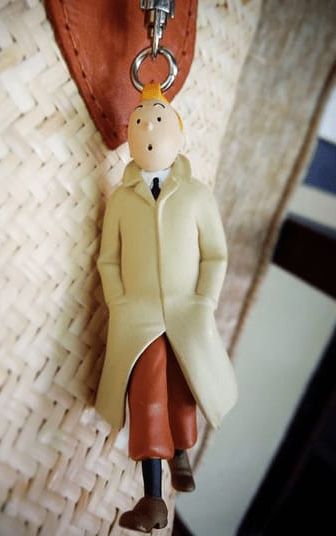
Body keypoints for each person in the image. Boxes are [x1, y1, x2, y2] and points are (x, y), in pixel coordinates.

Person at [95, 83, 238, 532]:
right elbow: (108, 259)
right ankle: (153, 498)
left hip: (186, 313)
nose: (148, 130)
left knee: (183, 385)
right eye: (139, 123)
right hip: (138, 318)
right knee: (146, 397)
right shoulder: (121, 200)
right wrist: (119, 301)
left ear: (178, 132)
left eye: (157, 121)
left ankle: (182, 453)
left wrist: (204, 300)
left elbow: (215, 254)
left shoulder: (196, 195)